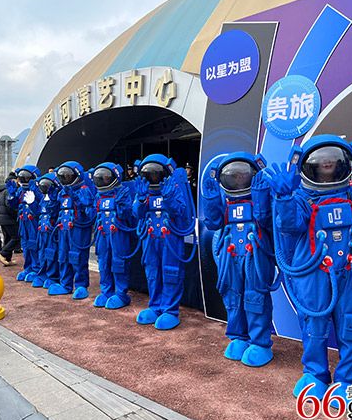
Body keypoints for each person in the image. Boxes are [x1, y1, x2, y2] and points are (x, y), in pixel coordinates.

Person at [265, 137, 352, 406]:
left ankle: (351, 380)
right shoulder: (301, 198)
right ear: (308, 166)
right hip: (313, 274)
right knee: (313, 326)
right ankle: (315, 375)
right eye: (321, 160)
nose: (327, 163)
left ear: (345, 162)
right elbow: (289, 226)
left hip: (350, 272)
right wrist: (283, 198)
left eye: (332, 159)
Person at [201, 152, 277, 366]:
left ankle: (260, 343)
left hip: (256, 255)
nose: (238, 180)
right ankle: (238, 337)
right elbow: (213, 223)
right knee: (232, 295)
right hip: (230, 255)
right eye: (233, 176)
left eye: (243, 175)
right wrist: (211, 200)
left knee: (255, 297)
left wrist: (262, 199)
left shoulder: (263, 194)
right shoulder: (225, 202)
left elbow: (270, 223)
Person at [132, 154, 196, 330]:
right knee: (152, 272)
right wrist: (140, 199)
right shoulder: (144, 191)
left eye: (156, 174)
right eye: (149, 175)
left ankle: (170, 310)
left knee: (171, 272)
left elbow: (180, 211)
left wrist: (169, 199)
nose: (153, 178)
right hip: (150, 237)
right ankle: (155, 306)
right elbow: (137, 214)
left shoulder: (173, 188)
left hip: (170, 238)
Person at [47, 161, 96, 299]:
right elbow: (53, 212)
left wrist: (78, 200)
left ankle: (81, 285)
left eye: (68, 176)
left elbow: (90, 214)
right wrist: (52, 201)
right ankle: (65, 284)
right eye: (63, 176)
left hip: (78, 229)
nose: (65, 179)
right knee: (63, 256)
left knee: (77, 257)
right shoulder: (62, 192)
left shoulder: (84, 190)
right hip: (63, 229)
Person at [92, 162, 135, 309]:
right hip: (102, 232)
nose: (103, 180)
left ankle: (121, 294)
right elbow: (93, 212)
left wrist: (119, 202)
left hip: (118, 233)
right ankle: (106, 292)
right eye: (100, 177)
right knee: (103, 262)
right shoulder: (98, 195)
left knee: (118, 262)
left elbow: (126, 213)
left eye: (105, 177)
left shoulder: (123, 192)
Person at [0, 176, 19, 266]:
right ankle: (2, 253)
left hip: (2, 219)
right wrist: (15, 215)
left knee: (8, 238)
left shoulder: (2, 192)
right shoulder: (9, 191)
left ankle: (7, 259)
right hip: (9, 219)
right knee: (16, 237)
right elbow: (10, 205)